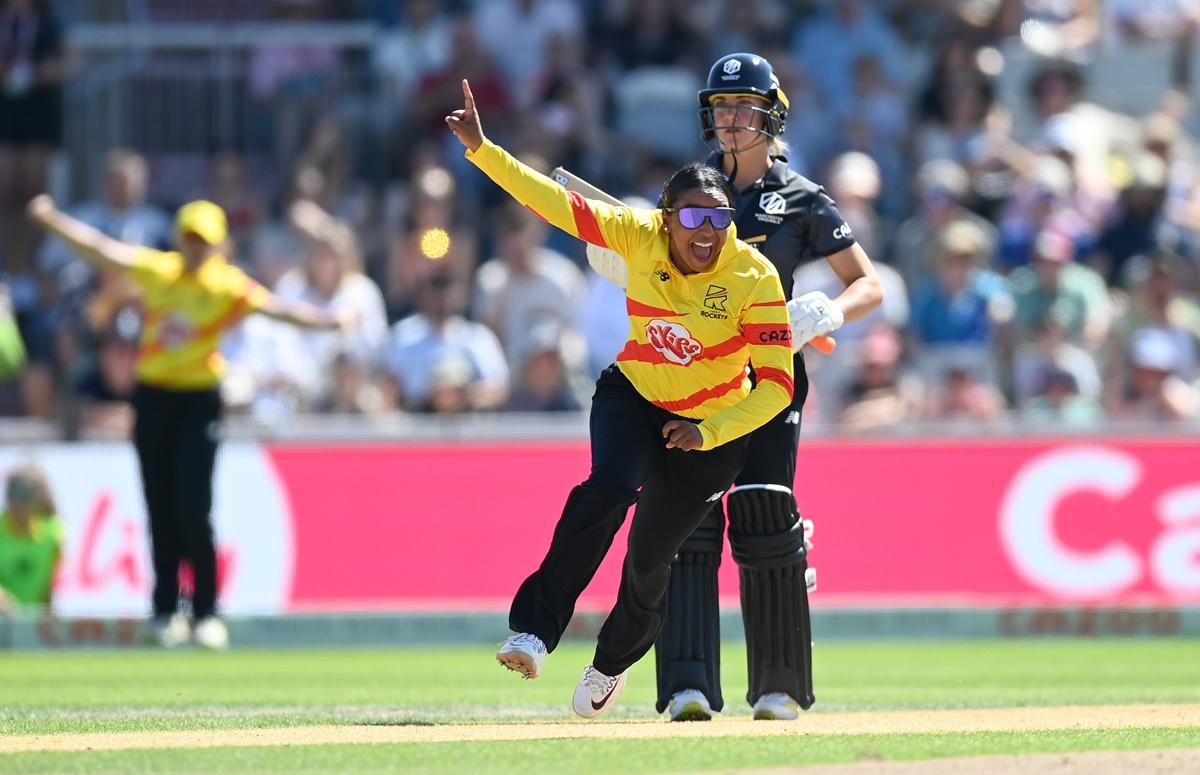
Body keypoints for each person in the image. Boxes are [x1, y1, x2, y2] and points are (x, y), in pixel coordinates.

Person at [445, 79, 795, 719]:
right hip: (634, 394)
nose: (709, 231)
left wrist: (710, 432)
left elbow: (776, 385)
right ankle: (534, 629)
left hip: (713, 425)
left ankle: (609, 665)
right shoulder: (637, 235)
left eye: (720, 218)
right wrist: (483, 150)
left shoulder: (753, 275)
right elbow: (555, 203)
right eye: (693, 217)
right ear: (667, 219)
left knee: (650, 558)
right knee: (608, 489)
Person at [589, 53, 885, 722]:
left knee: (763, 512)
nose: (729, 120)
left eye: (743, 107)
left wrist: (828, 310)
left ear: (770, 114)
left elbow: (870, 282)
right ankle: (687, 685)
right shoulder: (688, 191)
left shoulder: (802, 199)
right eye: (721, 108)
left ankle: (780, 687)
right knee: (686, 522)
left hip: (770, 375)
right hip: (693, 380)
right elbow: (647, 258)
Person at [26, 195, 354, 649]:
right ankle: (164, 610)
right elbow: (100, 249)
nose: (197, 249)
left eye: (205, 241)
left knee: (193, 509)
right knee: (159, 507)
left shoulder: (227, 286)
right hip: (154, 398)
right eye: (191, 239)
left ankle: (204, 612)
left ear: (219, 244)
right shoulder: (159, 272)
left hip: (199, 400)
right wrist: (51, 220)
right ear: (180, 239)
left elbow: (281, 310)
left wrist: (332, 322)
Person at [0, 462, 61, 614]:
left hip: (32, 626)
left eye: (25, 495)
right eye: (13, 494)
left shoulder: (52, 533)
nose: (19, 503)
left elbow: (48, 586)